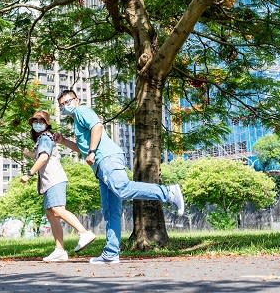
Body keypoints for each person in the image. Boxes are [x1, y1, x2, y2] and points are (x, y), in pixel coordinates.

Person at [53, 89, 185, 265]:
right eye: (62, 105)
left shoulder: (82, 111)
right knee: (110, 211)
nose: (65, 106)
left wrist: (92, 151)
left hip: (107, 158)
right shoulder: (77, 120)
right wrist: (63, 142)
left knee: (122, 187)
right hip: (100, 167)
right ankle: (111, 253)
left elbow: (97, 127)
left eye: (68, 102)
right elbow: (82, 148)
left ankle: (168, 192)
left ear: (76, 100)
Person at [20, 109, 96, 262]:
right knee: (51, 214)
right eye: (35, 122)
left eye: (41, 122)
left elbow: (43, 157)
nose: (37, 124)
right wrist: (28, 153)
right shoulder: (42, 139)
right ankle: (59, 250)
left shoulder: (45, 137)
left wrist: (29, 174)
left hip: (55, 180)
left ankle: (84, 232)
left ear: (47, 124)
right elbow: (39, 155)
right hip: (49, 182)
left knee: (57, 209)